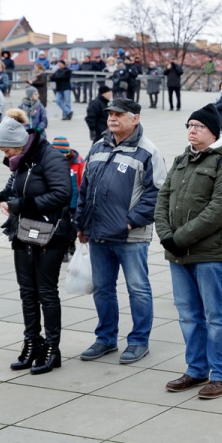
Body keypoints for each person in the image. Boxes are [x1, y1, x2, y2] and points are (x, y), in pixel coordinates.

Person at [155, 104, 222, 400]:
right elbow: (163, 198)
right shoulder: (182, 160)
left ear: (213, 131)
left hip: (210, 254)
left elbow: (220, 209)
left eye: (198, 126)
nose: (192, 131)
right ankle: (196, 369)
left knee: (216, 316)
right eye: (189, 126)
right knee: (189, 315)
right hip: (178, 253)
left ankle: (221, 375)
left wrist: (180, 237)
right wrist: (166, 235)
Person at [76, 98, 167, 364]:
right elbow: (85, 188)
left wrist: (131, 221)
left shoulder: (148, 151)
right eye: (110, 114)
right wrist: (81, 223)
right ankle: (105, 338)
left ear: (135, 118)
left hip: (131, 236)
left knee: (138, 289)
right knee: (103, 289)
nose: (112, 118)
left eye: (119, 114)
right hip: (98, 234)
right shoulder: (98, 146)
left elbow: (158, 194)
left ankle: (139, 341)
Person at [0, 111, 73, 374]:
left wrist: (25, 204)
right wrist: (4, 198)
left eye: (6, 150)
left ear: (19, 143)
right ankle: (32, 343)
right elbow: (11, 186)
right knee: (27, 292)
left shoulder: (48, 157)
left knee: (46, 292)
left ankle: (52, 348)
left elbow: (62, 194)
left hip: (51, 232)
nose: (5, 155)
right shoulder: (20, 160)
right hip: (23, 231)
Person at [52, 135, 85, 262]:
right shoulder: (51, 163)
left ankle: (71, 243)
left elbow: (83, 182)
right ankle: (64, 249)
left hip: (75, 201)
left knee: (74, 226)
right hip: (60, 202)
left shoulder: (78, 163)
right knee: (61, 227)